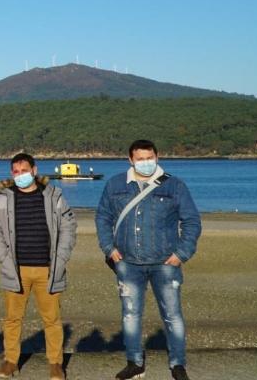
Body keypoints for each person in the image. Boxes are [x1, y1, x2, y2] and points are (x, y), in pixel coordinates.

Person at [96, 140, 201, 380]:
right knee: (130, 315)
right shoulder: (115, 185)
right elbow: (103, 217)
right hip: (128, 263)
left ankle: (177, 364)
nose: (146, 162)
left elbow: (192, 221)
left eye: (149, 157)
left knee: (173, 315)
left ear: (157, 156)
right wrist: (108, 248)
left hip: (165, 263)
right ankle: (135, 362)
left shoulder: (174, 186)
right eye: (140, 158)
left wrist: (181, 254)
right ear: (130, 160)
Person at [0, 153, 77, 380]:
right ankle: (10, 361)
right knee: (12, 319)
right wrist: (3, 256)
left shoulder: (53, 195)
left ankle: (56, 362)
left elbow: (68, 225)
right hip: (15, 269)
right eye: (16, 172)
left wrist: (62, 256)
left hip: (48, 268)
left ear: (34, 171)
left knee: (52, 319)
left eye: (24, 171)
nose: (20, 175)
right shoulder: (3, 199)